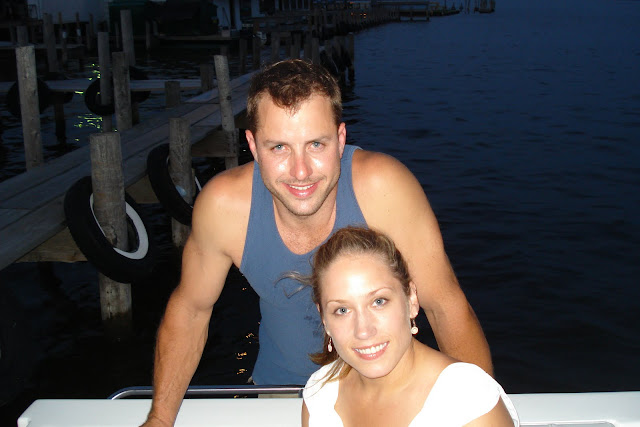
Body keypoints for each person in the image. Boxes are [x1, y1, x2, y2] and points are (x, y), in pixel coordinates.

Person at [142, 59, 493, 426]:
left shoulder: (383, 189)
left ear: (340, 140)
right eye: (279, 147)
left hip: (390, 395)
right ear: (253, 145)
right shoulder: (224, 208)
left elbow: (445, 306)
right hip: (280, 394)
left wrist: (479, 413)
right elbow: (191, 311)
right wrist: (160, 419)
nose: (301, 171)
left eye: (315, 144)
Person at [301, 227, 519, 427]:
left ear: (411, 300)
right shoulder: (320, 396)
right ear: (325, 319)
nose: (363, 331)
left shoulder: (468, 402)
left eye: (379, 301)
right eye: (342, 310)